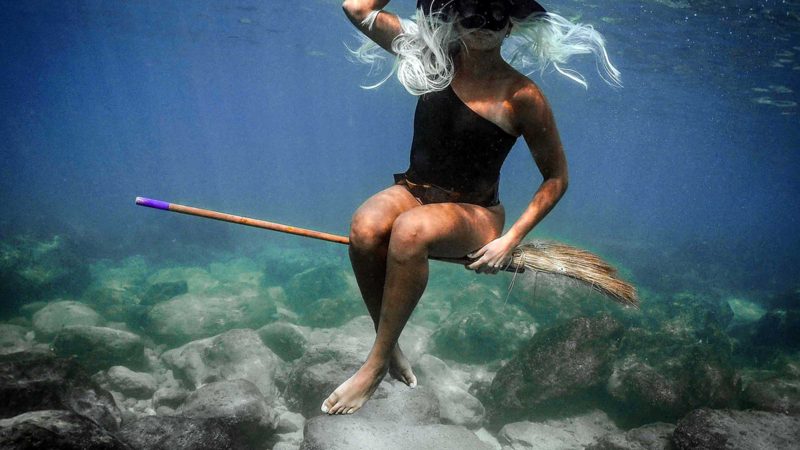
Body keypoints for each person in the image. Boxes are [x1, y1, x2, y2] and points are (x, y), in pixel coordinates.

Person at [322, 0, 620, 415]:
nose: (483, 24)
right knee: (365, 227)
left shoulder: (523, 95)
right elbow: (356, 8)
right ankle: (388, 347)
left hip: (476, 212)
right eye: (471, 12)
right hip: (415, 190)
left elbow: (556, 178)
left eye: (496, 14)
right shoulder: (431, 57)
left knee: (410, 232)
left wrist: (510, 240)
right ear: (454, 17)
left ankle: (373, 365)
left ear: (511, 26)